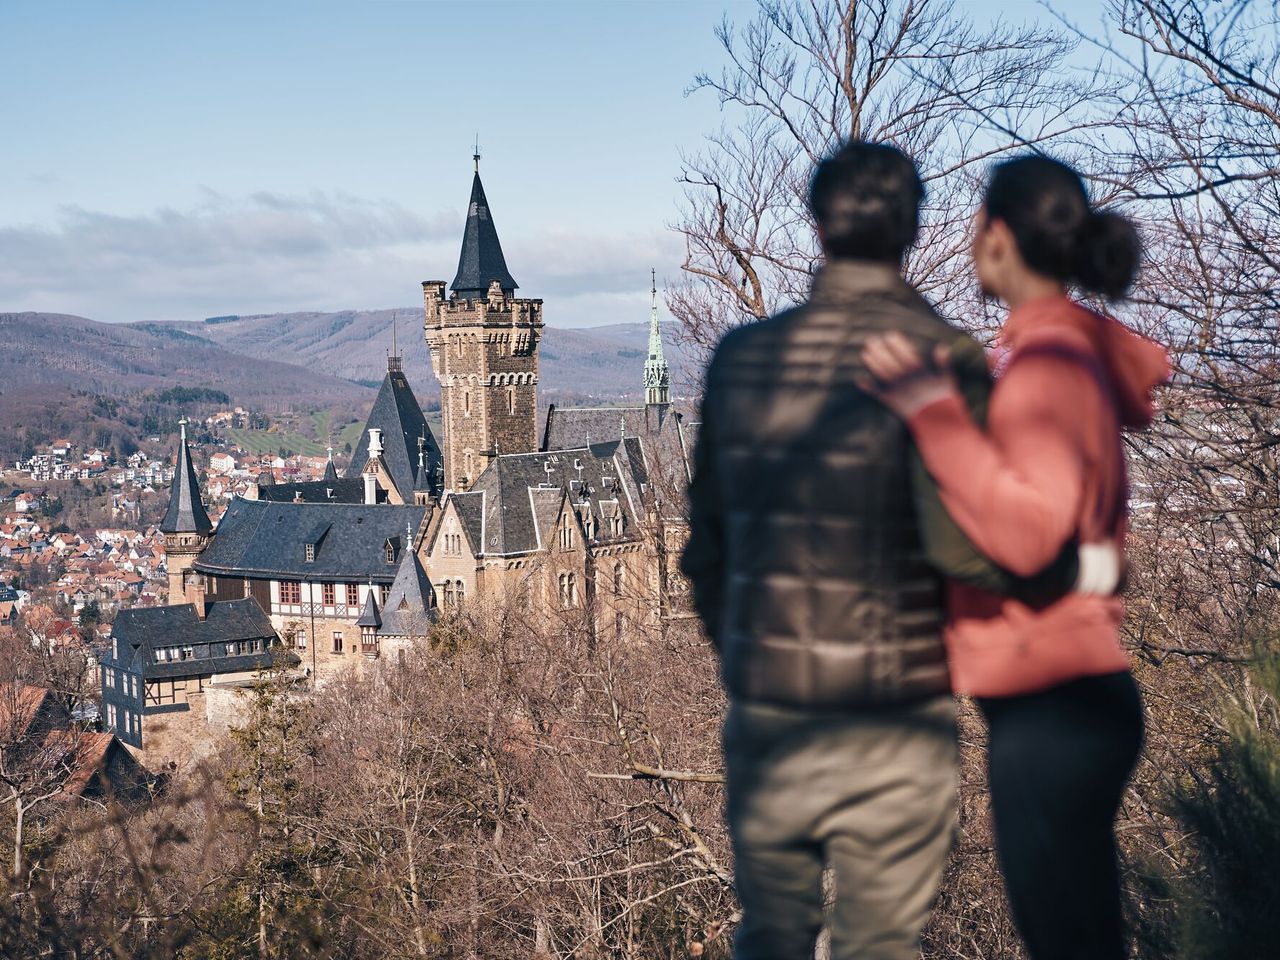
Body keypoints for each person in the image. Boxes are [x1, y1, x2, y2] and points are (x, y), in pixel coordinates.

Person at [681, 141, 996, 960]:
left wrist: (748, 654)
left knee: (773, 934)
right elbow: (972, 550)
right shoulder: (948, 358)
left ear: (817, 227)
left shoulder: (743, 360)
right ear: (915, 227)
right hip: (896, 711)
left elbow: (704, 550)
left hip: (772, 710)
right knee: (881, 946)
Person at [860, 155, 1170, 960]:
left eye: (974, 227)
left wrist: (935, 416)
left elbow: (1028, 534)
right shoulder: (1062, 351)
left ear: (998, 236)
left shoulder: (1046, 369)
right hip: (1068, 698)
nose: (967, 243)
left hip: (1051, 702)